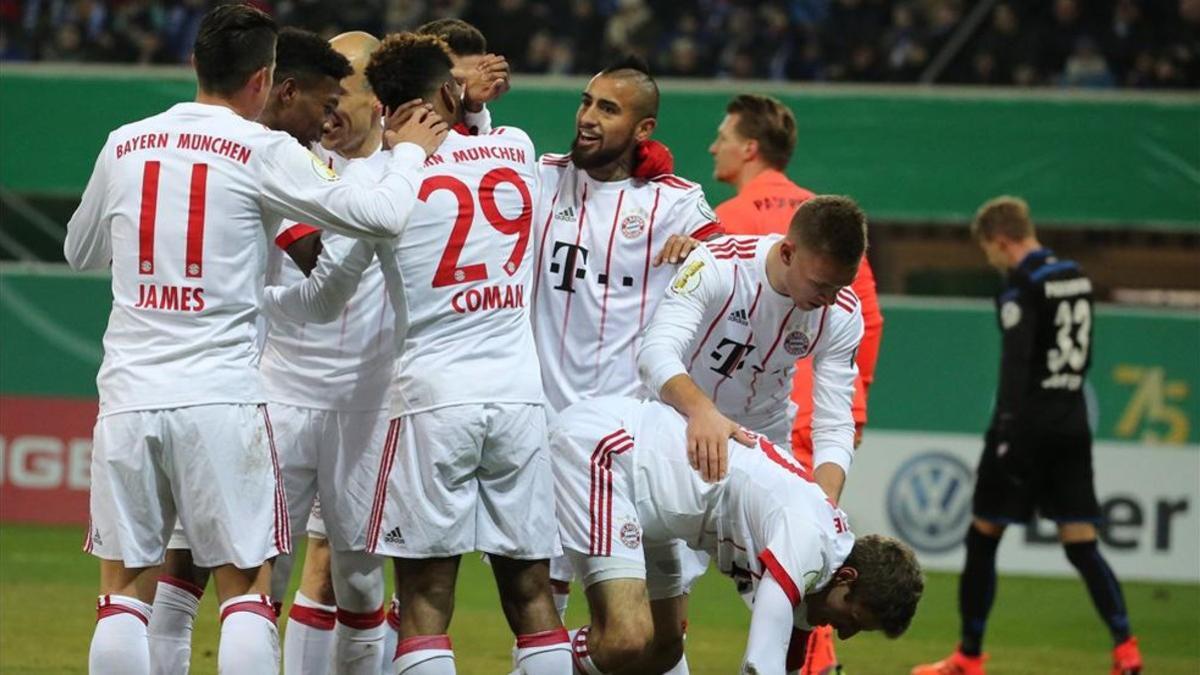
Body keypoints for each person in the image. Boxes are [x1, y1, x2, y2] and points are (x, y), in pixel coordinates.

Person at [65, 5, 446, 673]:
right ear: (266, 79)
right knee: (245, 593)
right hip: (222, 397)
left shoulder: (124, 141)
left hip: (127, 393)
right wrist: (410, 148)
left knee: (123, 593)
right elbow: (383, 214)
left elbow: (79, 251)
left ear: (195, 63)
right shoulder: (261, 150)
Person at [358, 32, 569, 673]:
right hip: (517, 399)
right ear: (448, 91)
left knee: (424, 600)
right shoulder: (516, 148)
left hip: (432, 400)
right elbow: (478, 134)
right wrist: (471, 105)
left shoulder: (383, 177)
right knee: (533, 594)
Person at [529, 54, 721, 671]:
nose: (586, 117)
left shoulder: (676, 201)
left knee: (661, 630)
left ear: (646, 129)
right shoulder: (542, 178)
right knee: (539, 604)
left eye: (607, 109)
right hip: (545, 433)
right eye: (585, 102)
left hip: (633, 443)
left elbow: (734, 261)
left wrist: (704, 252)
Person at [912, 197, 1142, 675]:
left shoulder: (1022, 287)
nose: (991, 261)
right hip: (1072, 419)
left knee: (983, 536)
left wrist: (1007, 433)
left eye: (989, 251)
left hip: (1028, 425)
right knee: (1081, 542)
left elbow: (1016, 366)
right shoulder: (1075, 275)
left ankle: (969, 656)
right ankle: (1127, 649)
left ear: (1000, 240)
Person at [550, 395, 924, 674]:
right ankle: (536, 660)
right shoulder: (809, 542)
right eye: (854, 619)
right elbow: (761, 663)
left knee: (665, 650)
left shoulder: (823, 578)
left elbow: (787, 664)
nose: (844, 635)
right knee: (625, 638)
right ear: (847, 577)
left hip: (659, 507)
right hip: (613, 453)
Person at [708, 91, 885, 675]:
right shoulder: (827, 219)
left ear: (750, 147)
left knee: (693, 555)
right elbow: (868, 316)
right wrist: (851, 410)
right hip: (820, 420)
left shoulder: (730, 220)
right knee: (809, 551)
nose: (715, 145)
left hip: (754, 416)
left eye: (724, 136)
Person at [638, 195, 866, 502]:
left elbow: (834, 421)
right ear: (787, 253)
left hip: (763, 439)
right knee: (672, 545)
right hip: (679, 421)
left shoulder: (842, 313)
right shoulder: (717, 264)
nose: (831, 299)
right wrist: (702, 411)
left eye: (840, 286)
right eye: (821, 285)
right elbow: (655, 354)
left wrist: (826, 503)